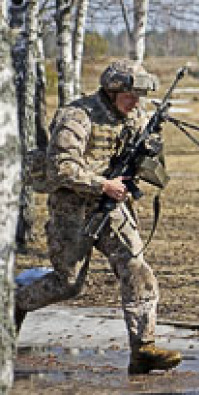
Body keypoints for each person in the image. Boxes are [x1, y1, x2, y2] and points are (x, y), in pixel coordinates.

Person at [14, 59, 182, 375]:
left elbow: (153, 169)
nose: (135, 103)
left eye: (139, 97)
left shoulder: (134, 117)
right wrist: (103, 183)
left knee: (135, 265)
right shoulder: (77, 117)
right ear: (112, 90)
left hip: (111, 206)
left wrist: (150, 151)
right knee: (69, 284)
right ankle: (14, 303)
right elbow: (61, 167)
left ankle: (143, 349)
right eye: (130, 96)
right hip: (71, 210)